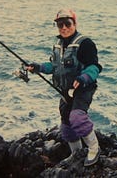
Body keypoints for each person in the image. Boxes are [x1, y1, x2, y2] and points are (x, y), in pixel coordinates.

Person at [27, 9, 102, 167]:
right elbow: (53, 67)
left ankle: (94, 148)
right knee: (66, 126)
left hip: (83, 88)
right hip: (64, 91)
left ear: (74, 23)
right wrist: (38, 67)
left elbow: (94, 67)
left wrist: (83, 78)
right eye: (60, 24)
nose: (64, 27)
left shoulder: (86, 43)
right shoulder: (58, 45)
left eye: (67, 23)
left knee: (77, 117)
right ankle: (76, 153)